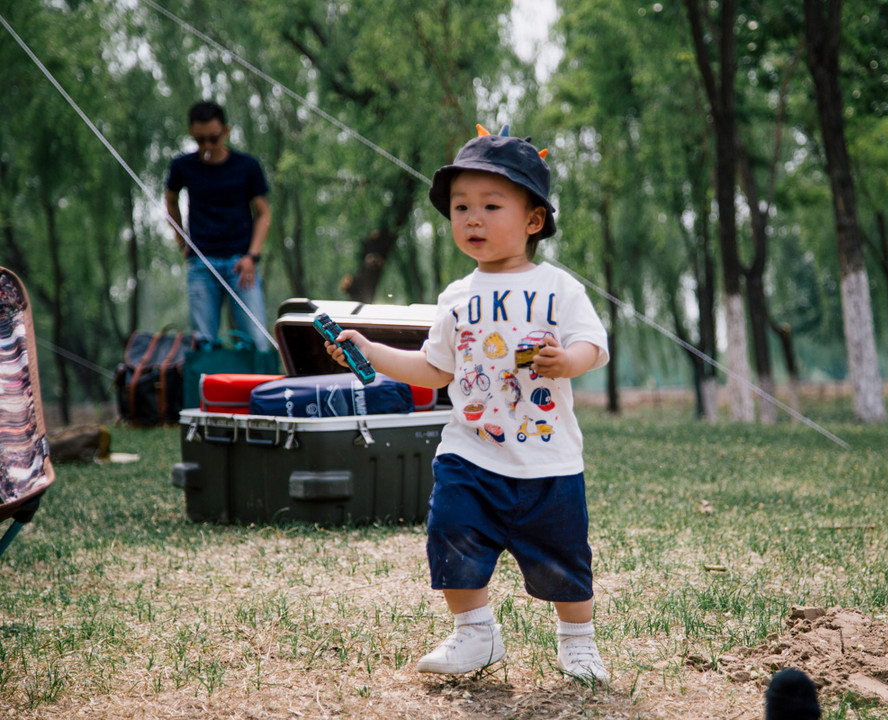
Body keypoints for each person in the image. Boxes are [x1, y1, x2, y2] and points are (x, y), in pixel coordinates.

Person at [325, 124, 610, 682]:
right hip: (470, 453)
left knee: (565, 561)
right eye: (460, 207)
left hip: (547, 458)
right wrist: (372, 351)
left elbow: (594, 346)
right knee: (451, 534)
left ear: (533, 221)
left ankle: (578, 642)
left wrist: (566, 361)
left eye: (490, 205)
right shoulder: (457, 296)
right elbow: (434, 371)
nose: (472, 218)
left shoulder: (558, 287)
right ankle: (474, 634)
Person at [165, 100, 272, 352]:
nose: (207, 146)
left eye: (213, 138)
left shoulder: (247, 166)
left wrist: (252, 256)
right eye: (200, 140)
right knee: (204, 344)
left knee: (256, 341)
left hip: (241, 264)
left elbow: (264, 213)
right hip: (201, 264)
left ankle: (260, 390)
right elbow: (170, 201)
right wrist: (182, 243)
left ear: (226, 131)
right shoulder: (182, 166)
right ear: (191, 133)